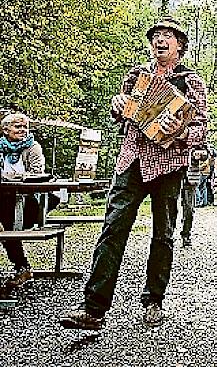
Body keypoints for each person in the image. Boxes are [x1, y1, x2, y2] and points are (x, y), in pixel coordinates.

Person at [60, 17, 207, 330]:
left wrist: (179, 130)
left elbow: (200, 127)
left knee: (163, 233)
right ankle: (93, 308)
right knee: (112, 228)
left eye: (167, 36)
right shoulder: (136, 75)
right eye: (156, 35)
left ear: (179, 44)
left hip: (169, 164)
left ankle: (154, 300)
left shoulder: (190, 81)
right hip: (132, 160)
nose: (160, 40)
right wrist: (116, 105)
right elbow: (122, 111)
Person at [0, 112, 46, 288]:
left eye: (25, 127)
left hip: (28, 201)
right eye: (17, 126)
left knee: (4, 220)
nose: (22, 130)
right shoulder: (0, 146)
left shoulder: (33, 147)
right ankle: (22, 267)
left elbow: (37, 174)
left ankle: (22, 267)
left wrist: (10, 177)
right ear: (5, 130)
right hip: (5, 200)